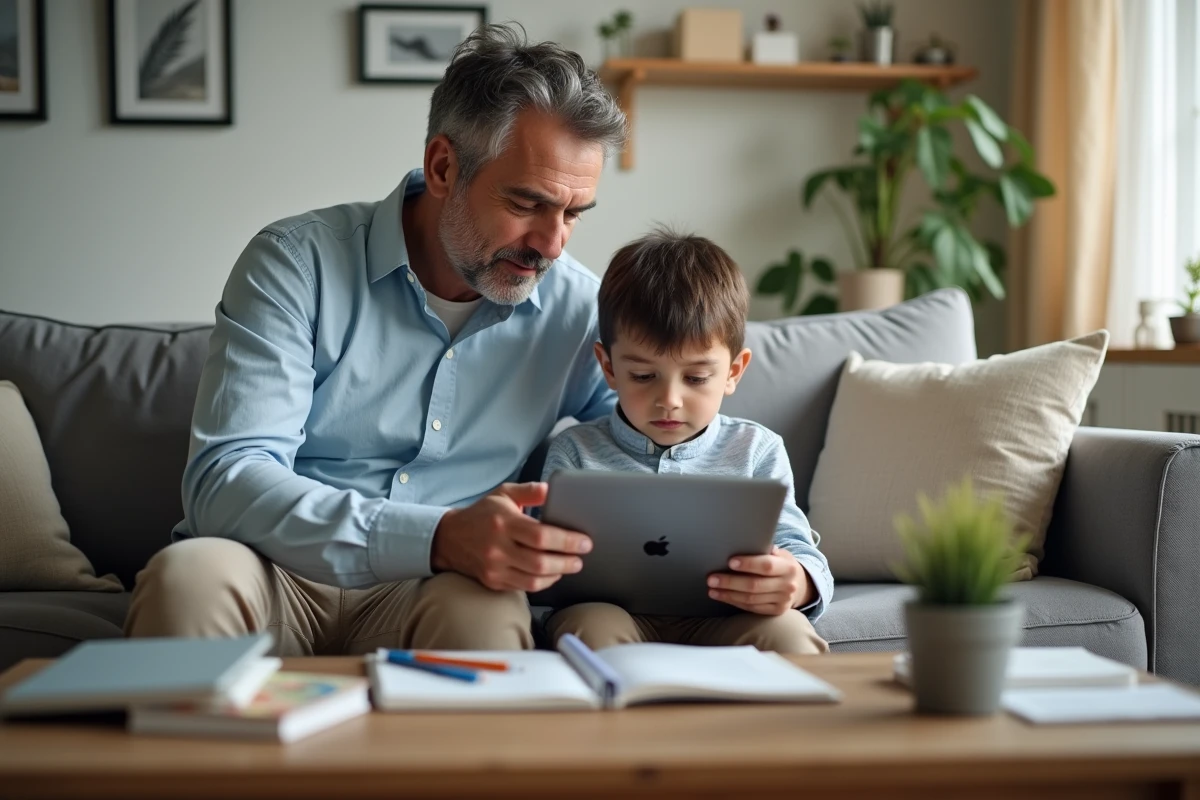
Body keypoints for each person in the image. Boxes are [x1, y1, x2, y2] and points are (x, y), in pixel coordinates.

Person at [123, 24, 628, 656]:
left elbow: (651, 448)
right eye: (527, 203)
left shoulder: (579, 309)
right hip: (275, 569)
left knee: (489, 615)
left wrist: (789, 564)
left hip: (441, 588)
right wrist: (438, 535)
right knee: (187, 581)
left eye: (574, 213)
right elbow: (226, 480)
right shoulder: (295, 264)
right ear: (443, 166)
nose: (552, 243)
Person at [541, 230, 833, 653]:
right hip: (610, 615)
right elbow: (549, 563)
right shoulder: (573, 451)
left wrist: (798, 583)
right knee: (589, 629)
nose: (670, 401)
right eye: (643, 376)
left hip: (728, 619)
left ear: (734, 371)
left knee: (787, 635)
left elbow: (798, 549)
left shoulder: (758, 449)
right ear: (607, 366)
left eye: (696, 378)